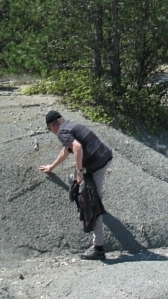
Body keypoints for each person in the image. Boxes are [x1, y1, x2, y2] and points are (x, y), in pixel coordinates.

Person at [39, 110, 113, 260]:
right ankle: (78, 179)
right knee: (80, 183)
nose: (51, 131)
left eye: (49, 129)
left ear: (53, 125)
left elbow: (77, 147)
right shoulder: (70, 125)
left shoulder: (61, 132)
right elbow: (67, 150)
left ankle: (98, 248)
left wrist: (79, 172)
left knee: (93, 202)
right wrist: (52, 167)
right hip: (105, 156)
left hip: (97, 165)